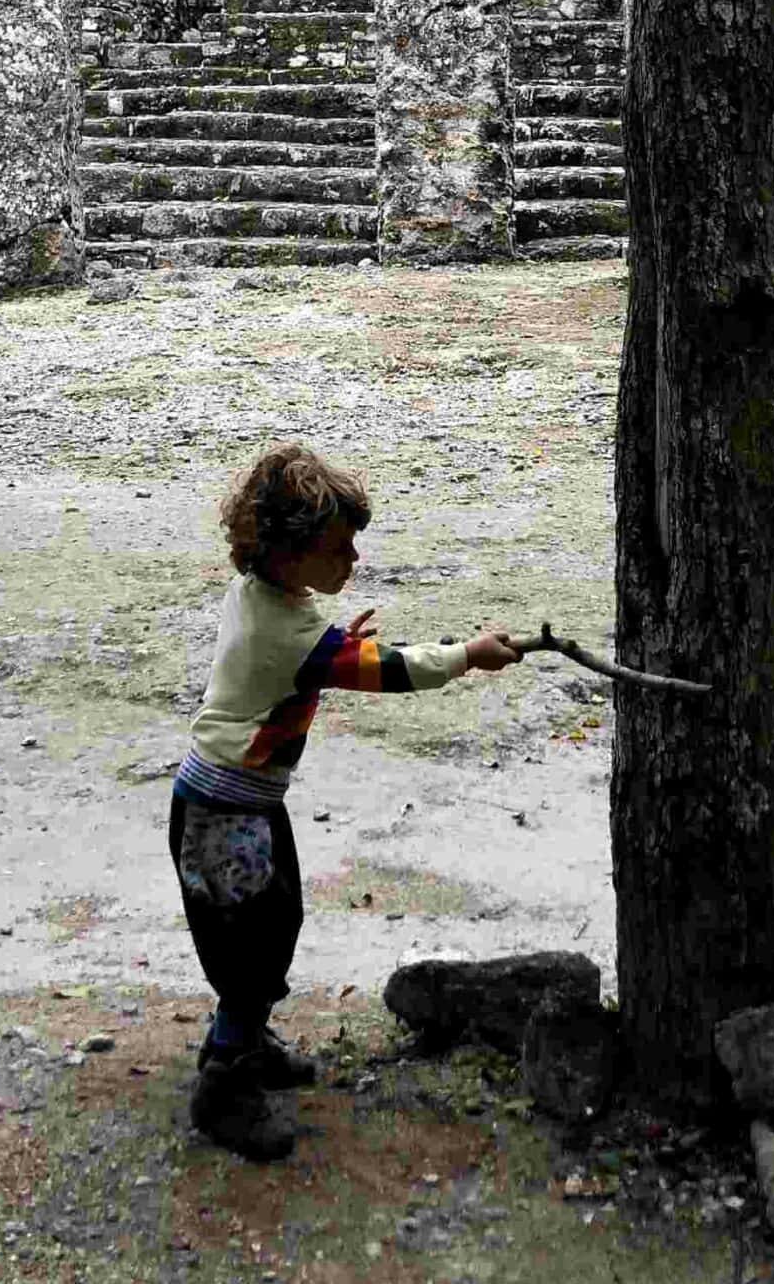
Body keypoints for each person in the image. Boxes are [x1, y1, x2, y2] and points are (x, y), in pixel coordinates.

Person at [171, 441, 522, 1159]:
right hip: (226, 812)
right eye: (339, 549)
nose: (352, 562)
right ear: (289, 553)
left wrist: (326, 651)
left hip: (237, 800)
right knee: (251, 947)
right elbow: (385, 671)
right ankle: (224, 1082)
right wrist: (466, 655)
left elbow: (304, 660)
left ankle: (245, 1040)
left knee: (271, 925)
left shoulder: (263, 595)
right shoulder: (292, 629)